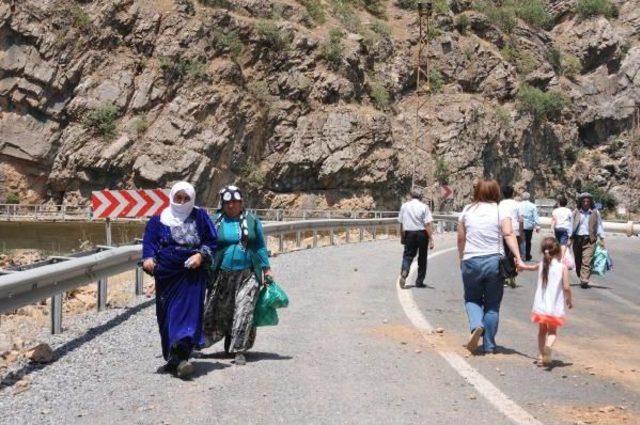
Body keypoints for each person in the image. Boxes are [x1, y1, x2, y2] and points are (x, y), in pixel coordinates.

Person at [142, 182, 217, 379]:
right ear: (172, 197)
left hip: (191, 273)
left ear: (192, 199)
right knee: (167, 315)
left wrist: (201, 256)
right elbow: (149, 242)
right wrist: (148, 259)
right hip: (167, 274)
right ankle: (173, 358)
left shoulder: (200, 216)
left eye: (186, 198)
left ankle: (181, 356)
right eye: (178, 198)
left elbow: (212, 240)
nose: (182, 202)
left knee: (187, 314)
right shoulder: (159, 219)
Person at [203, 185, 272, 366]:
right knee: (222, 311)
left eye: (235, 202)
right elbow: (206, 244)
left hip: (248, 273)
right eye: (227, 202)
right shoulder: (215, 221)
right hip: (222, 275)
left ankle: (240, 349)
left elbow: (259, 246)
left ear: (242, 203)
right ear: (222, 203)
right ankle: (223, 340)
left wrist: (266, 269)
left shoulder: (252, 221)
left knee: (244, 308)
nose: (231, 205)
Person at [457, 179, 524, 354]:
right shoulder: (501, 210)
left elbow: (461, 239)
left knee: (472, 299)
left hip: (471, 260)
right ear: (496, 192)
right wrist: (518, 257)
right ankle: (489, 345)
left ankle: (476, 325)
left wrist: (461, 259)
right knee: (492, 305)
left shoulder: (467, 210)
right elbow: (509, 233)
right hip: (494, 262)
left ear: (477, 192)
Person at [520, 237, 573, 366]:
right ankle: (548, 347)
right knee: (552, 332)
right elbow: (566, 287)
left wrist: (522, 266)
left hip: (540, 306)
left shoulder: (542, 264)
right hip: (554, 307)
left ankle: (540, 356)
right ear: (558, 252)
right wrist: (569, 300)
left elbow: (532, 267)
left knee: (541, 331)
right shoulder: (562, 267)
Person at [398, 187, 434, 289]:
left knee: (408, 255)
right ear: (421, 196)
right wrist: (431, 239)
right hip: (422, 234)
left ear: (411, 195)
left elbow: (401, 222)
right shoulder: (424, 207)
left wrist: (402, 235)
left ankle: (405, 271)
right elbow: (428, 224)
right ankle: (419, 281)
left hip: (409, 233)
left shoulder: (404, 206)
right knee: (422, 257)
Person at [570, 192, 605, 289]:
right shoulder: (575, 212)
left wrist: (602, 238)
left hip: (590, 240)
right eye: (584, 201)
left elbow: (599, 226)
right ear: (580, 202)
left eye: (588, 201)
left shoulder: (595, 212)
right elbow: (571, 226)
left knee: (586, 260)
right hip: (577, 239)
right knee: (578, 261)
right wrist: (570, 239)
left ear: (590, 202)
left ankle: (584, 280)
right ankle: (580, 274)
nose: (586, 203)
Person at [499, 185, 522, 288]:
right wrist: (521, 232)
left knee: (504, 254)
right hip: (515, 231)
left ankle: (507, 276)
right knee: (512, 255)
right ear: (513, 193)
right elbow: (521, 219)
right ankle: (512, 275)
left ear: (502, 194)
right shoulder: (517, 204)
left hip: (504, 231)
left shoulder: (500, 204)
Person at [518, 192, 540, 261]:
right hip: (529, 225)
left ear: (522, 197)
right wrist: (537, 226)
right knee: (528, 241)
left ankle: (522, 255)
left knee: (521, 241)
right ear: (529, 197)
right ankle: (527, 255)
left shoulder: (518, 205)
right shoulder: (533, 205)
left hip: (520, 225)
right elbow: (535, 216)